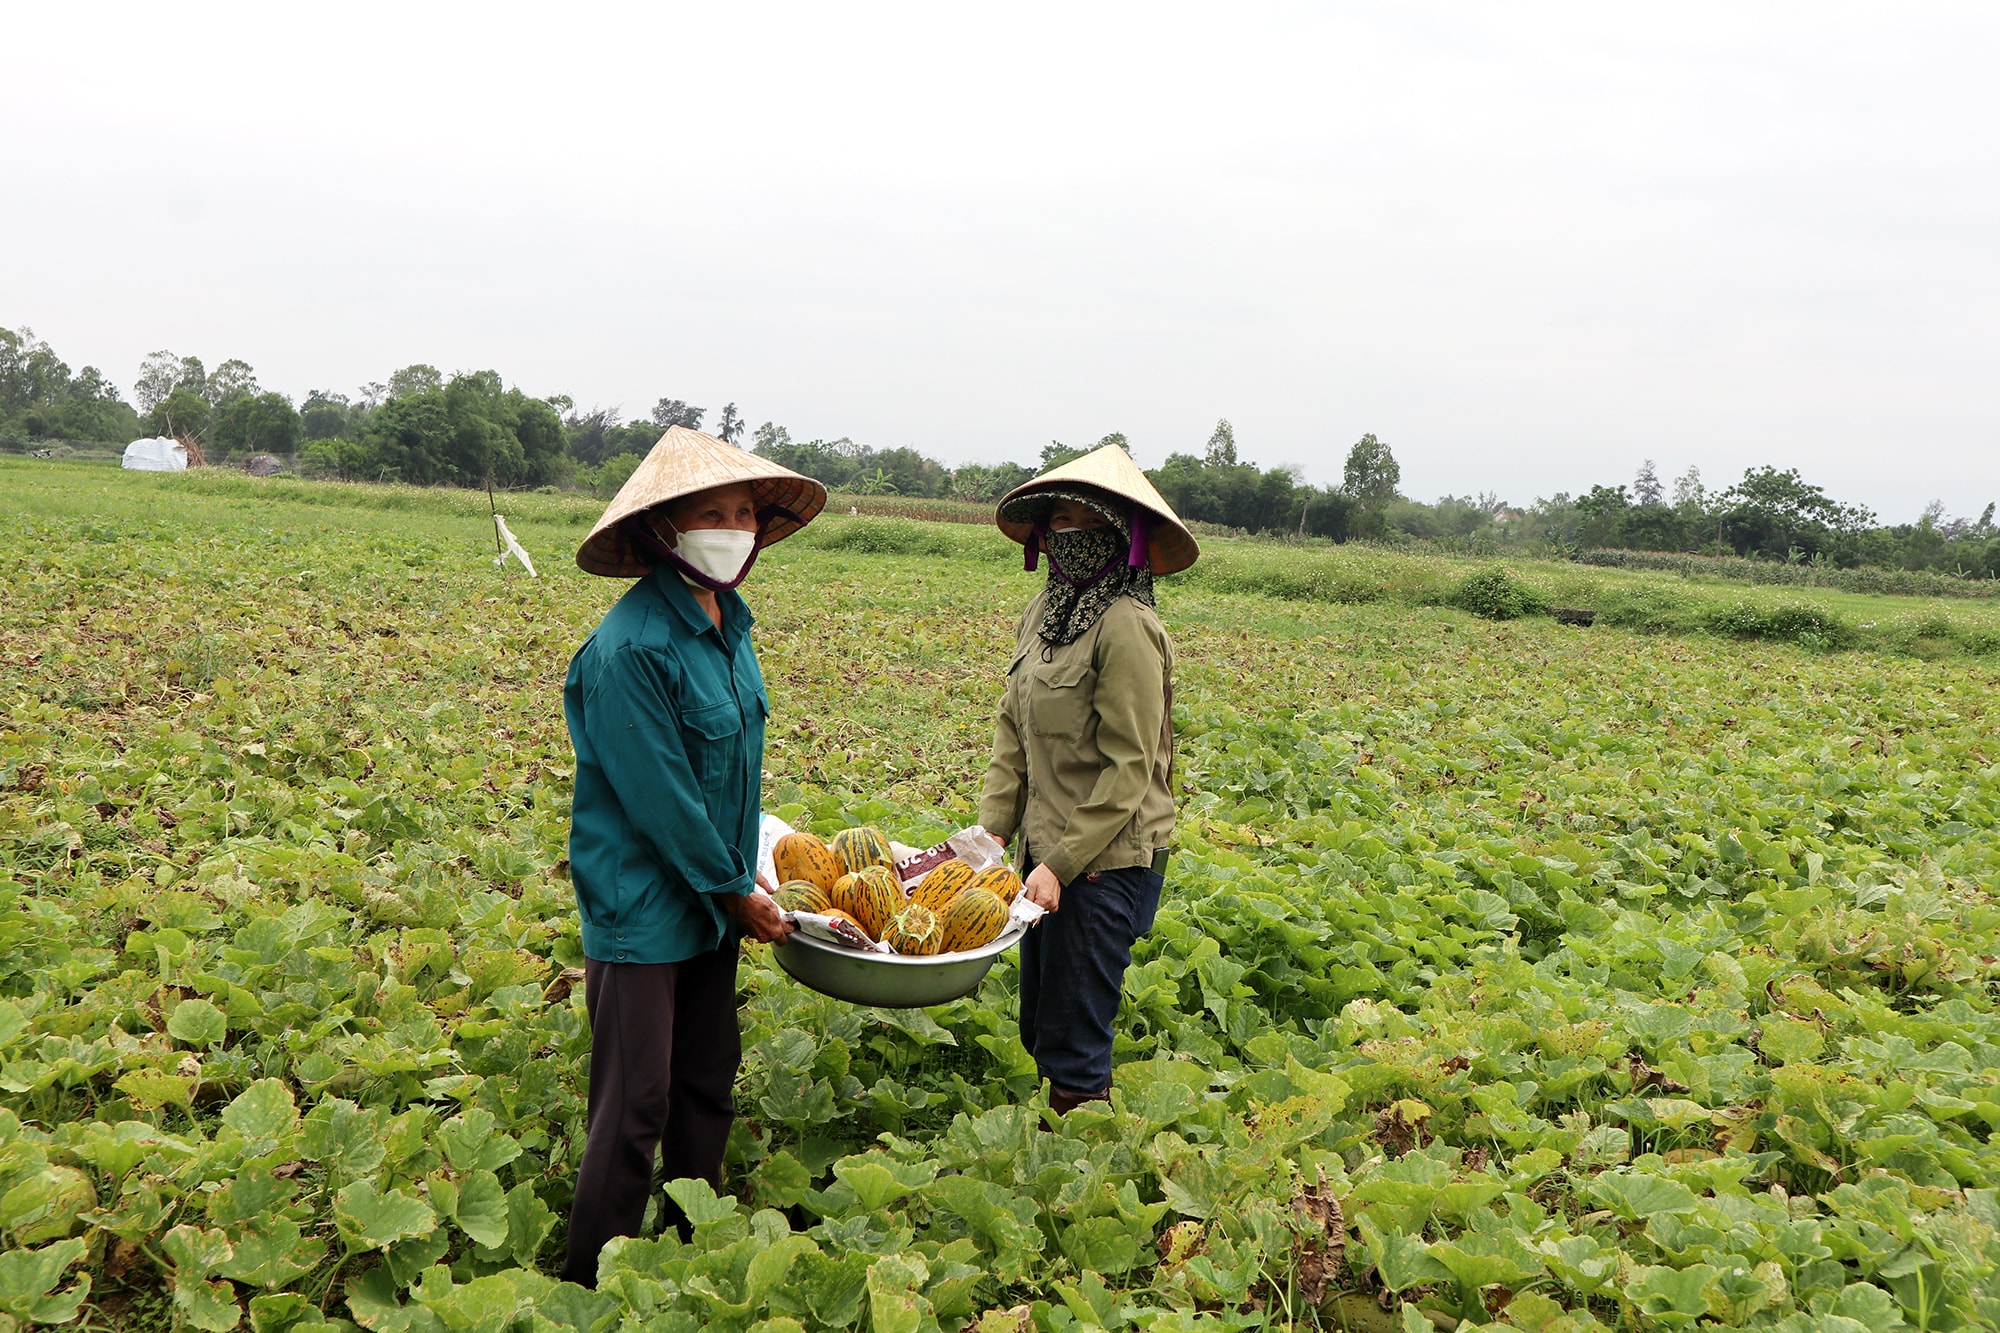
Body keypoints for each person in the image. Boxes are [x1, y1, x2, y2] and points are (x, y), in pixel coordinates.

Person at [561, 427, 826, 1285]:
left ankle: (689, 1238)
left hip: (716, 896)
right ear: (665, 530)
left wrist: (747, 874)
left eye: (744, 512)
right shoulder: (630, 647)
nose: (734, 526)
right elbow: (663, 802)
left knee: (707, 1075)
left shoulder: (729, 624)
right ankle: (588, 1282)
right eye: (711, 512)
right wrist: (732, 888)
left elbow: (730, 781)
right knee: (635, 1101)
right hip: (646, 904)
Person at [978, 444, 1200, 1114]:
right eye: (1059, 517)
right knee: (1040, 1025)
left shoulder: (1128, 626)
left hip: (1105, 862)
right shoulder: (1044, 613)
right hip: (1044, 854)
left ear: (1117, 532)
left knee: (1075, 1039)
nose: (1066, 531)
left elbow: (1130, 766)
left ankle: (1084, 1175)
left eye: (1083, 516)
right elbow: (1012, 727)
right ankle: (1056, 1162)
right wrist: (991, 835)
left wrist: (1063, 863)